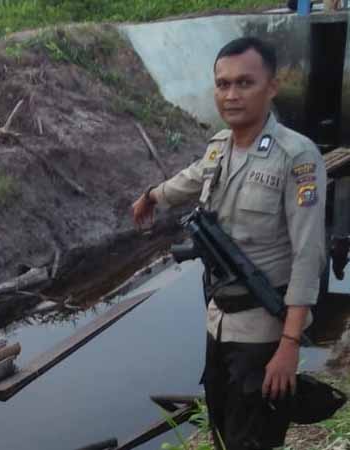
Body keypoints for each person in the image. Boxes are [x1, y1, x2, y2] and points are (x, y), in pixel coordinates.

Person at [131, 37, 326, 449]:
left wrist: (289, 346)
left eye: (244, 83)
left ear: (271, 86)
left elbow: (309, 257)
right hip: (219, 319)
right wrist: (151, 196)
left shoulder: (297, 156)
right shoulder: (221, 147)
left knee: (251, 438)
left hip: (262, 331)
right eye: (222, 84)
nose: (231, 95)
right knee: (221, 425)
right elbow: (192, 177)